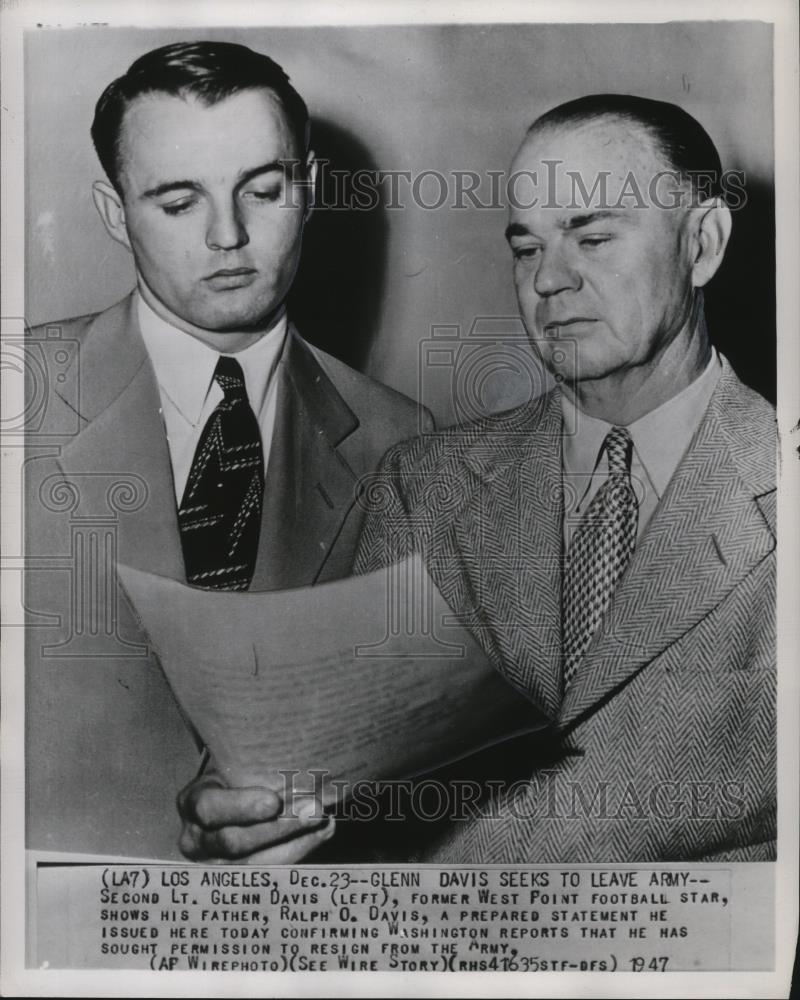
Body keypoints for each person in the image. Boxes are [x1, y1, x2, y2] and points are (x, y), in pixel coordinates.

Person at [24, 41, 430, 860]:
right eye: (178, 203)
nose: (229, 235)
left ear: (308, 190)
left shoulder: (405, 441)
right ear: (114, 213)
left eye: (264, 190)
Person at [354, 94, 776, 862]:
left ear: (704, 243)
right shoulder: (423, 487)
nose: (549, 280)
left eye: (593, 236)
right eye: (526, 247)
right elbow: (358, 767)